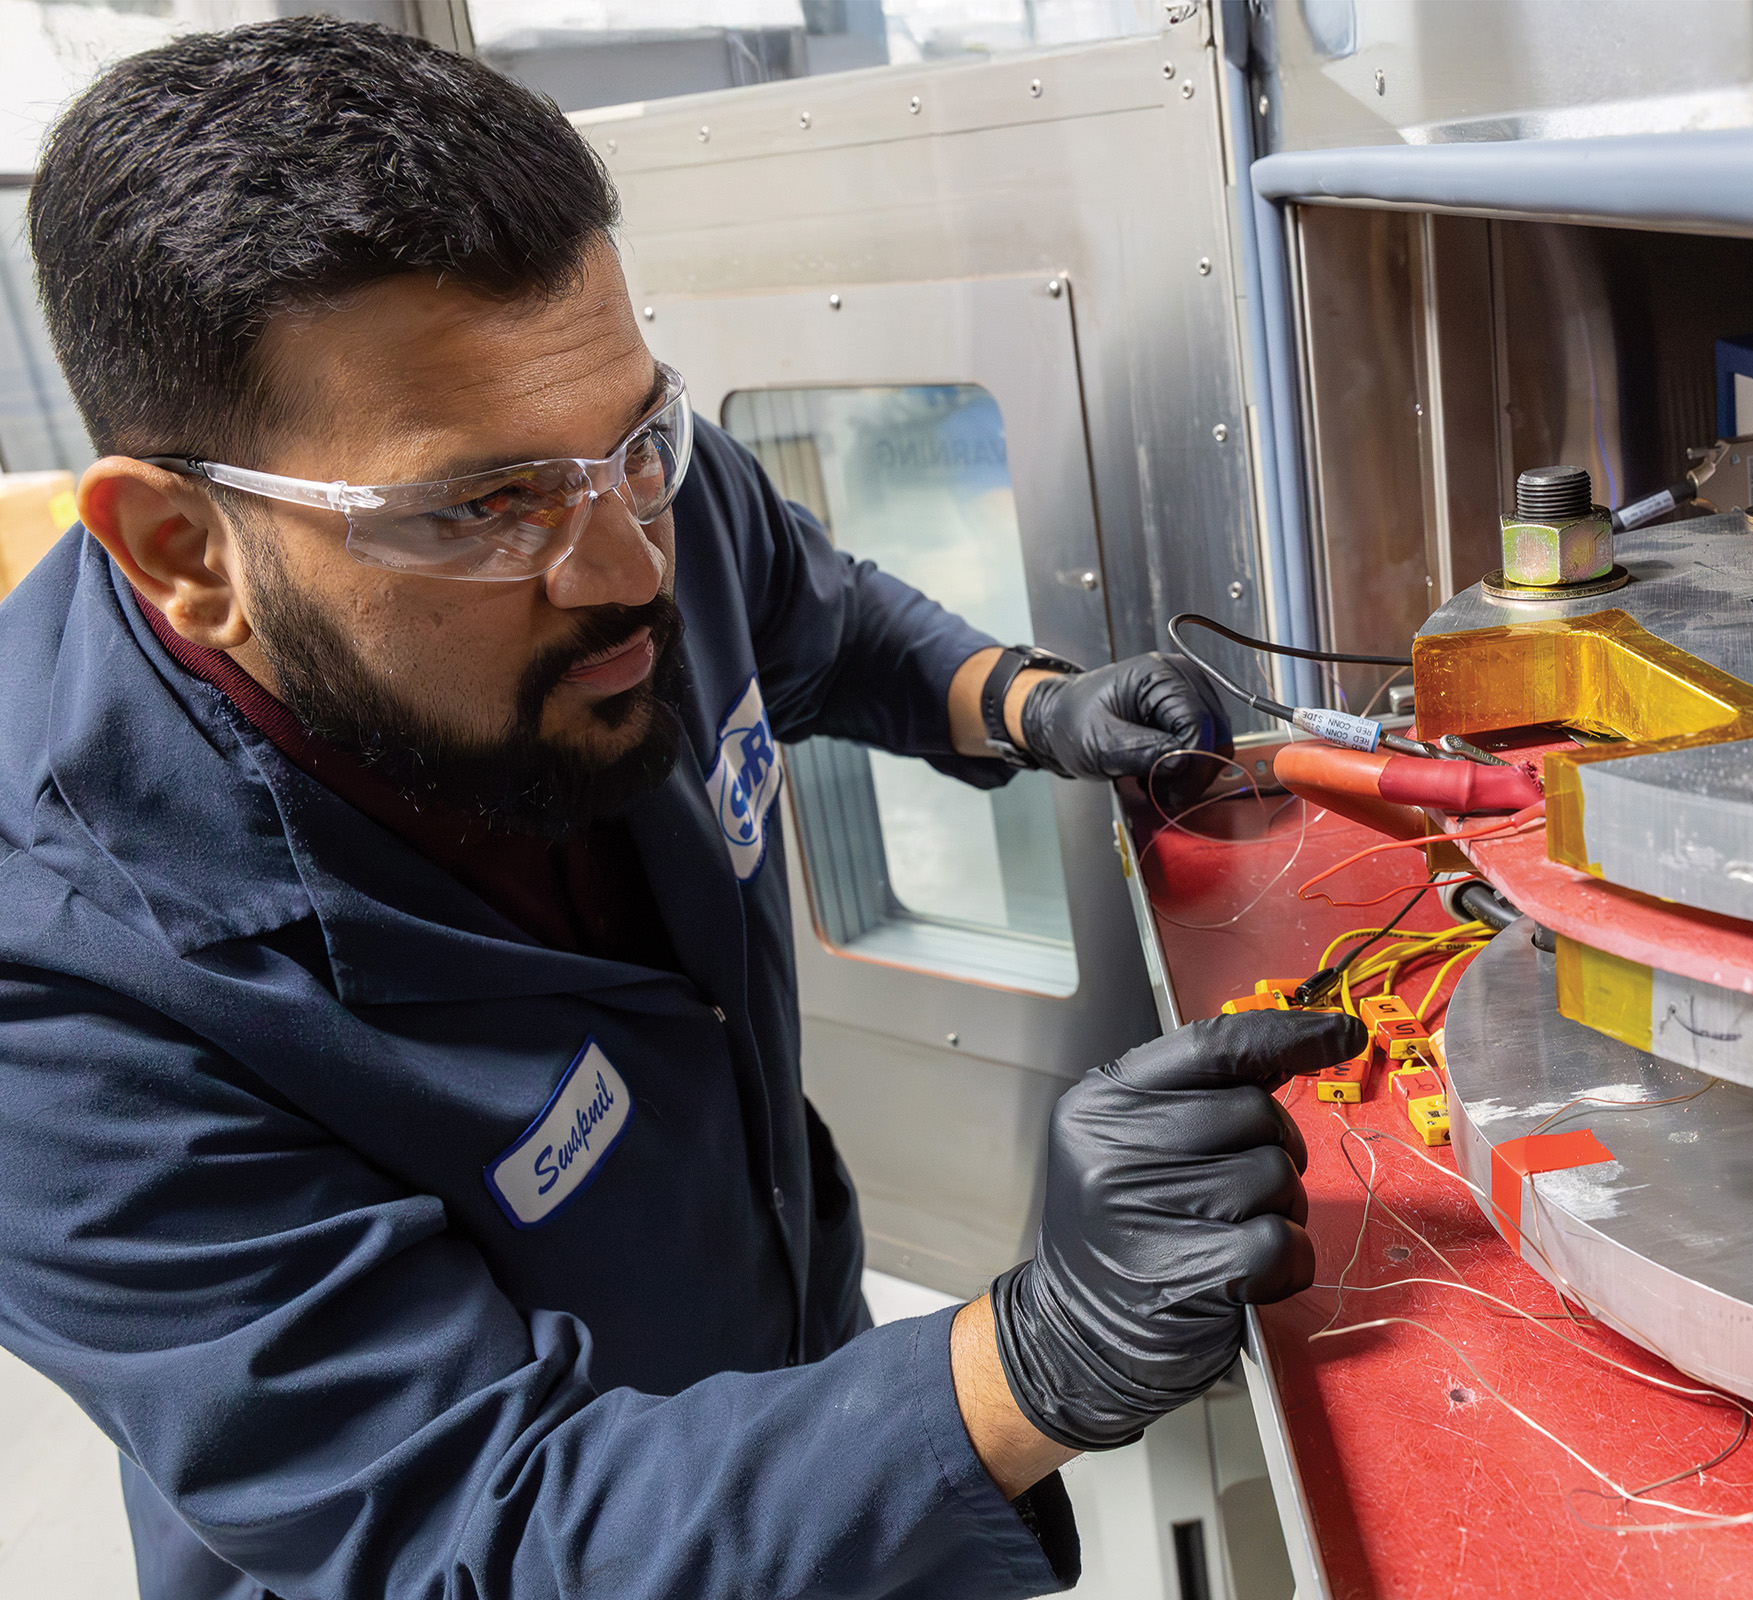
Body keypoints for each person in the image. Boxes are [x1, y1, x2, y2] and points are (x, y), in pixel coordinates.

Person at [0, 19, 1357, 1598]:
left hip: (791, 1377)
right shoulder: (62, 999)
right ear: (183, 549)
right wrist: (1031, 1358)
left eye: (640, 442)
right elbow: (471, 1525)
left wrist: (1023, 702)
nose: (630, 569)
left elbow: (814, 615)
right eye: (483, 505)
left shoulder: (609, 488)